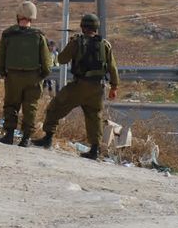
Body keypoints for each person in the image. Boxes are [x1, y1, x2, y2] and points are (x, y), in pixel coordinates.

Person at [33, 13, 118, 160]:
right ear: (96, 28)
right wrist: (114, 87)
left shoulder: (77, 42)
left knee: (55, 107)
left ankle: (47, 138)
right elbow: (112, 67)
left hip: (79, 86)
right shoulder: (105, 44)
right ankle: (94, 150)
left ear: (82, 27)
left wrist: (71, 43)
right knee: (94, 117)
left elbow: (62, 59)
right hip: (97, 88)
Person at [0, 2, 52, 147]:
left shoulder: (8, 34)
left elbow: (0, 57)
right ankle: (25, 138)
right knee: (30, 107)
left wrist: (3, 72)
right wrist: (42, 75)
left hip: (13, 76)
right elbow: (46, 61)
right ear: (33, 17)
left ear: (18, 15)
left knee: (11, 105)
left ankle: (9, 135)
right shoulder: (39, 36)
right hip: (33, 77)